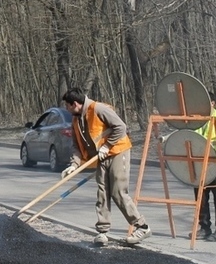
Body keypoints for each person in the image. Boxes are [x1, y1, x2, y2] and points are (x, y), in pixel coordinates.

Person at [62, 87, 151, 246]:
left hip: (118, 151)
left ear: (75, 104)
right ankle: (103, 232)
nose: (66, 109)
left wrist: (107, 146)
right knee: (102, 192)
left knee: (118, 192)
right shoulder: (76, 120)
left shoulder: (99, 109)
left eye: (67, 106)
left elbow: (121, 127)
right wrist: (74, 165)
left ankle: (142, 227)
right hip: (101, 157)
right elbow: (76, 145)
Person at [192, 92, 216, 242]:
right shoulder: (198, 119)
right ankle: (204, 228)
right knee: (201, 197)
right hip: (201, 163)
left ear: (213, 103)